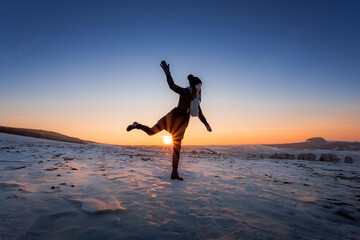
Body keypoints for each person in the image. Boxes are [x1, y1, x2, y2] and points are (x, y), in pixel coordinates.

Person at [126, 60, 212, 181]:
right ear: (193, 85)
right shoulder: (184, 92)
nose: (200, 87)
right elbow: (172, 86)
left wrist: (206, 124)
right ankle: (137, 125)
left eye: (201, 86)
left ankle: (174, 173)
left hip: (182, 123)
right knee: (151, 132)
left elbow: (200, 114)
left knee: (177, 149)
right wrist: (167, 73)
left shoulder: (196, 99)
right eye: (198, 85)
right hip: (173, 117)